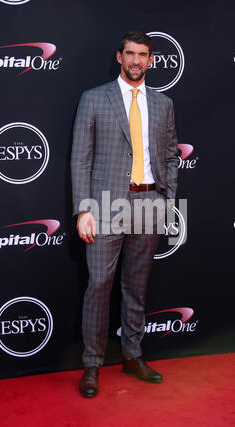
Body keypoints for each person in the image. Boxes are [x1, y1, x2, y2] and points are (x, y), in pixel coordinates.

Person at [71, 31, 178, 398]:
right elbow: (80, 159)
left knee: (136, 287)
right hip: (104, 206)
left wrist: (168, 201)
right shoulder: (94, 99)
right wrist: (84, 209)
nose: (136, 60)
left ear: (150, 60)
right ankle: (92, 365)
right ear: (120, 57)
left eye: (143, 54)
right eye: (130, 53)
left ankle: (132, 356)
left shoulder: (163, 104)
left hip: (148, 204)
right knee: (99, 285)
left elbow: (169, 157)